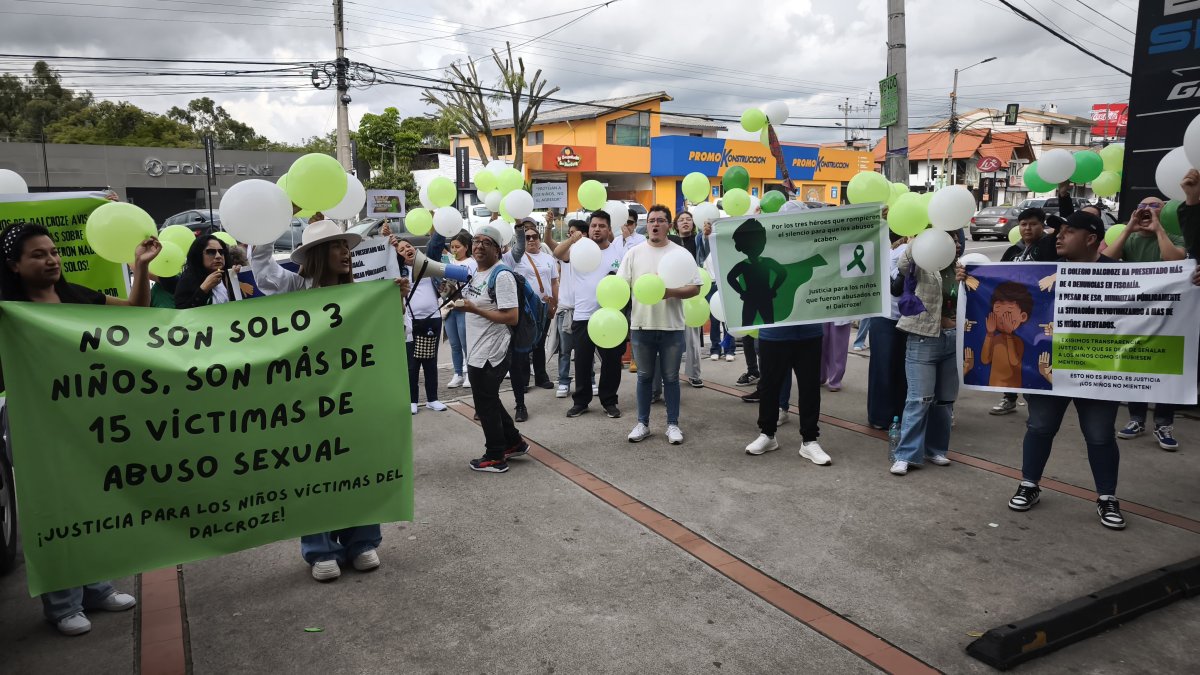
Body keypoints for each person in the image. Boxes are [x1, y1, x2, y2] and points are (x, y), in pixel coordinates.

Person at [0, 222, 160, 635]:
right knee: (54, 510)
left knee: (91, 505)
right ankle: (62, 604)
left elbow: (136, 312)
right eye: (38, 255)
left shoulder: (75, 296)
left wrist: (141, 266)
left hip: (85, 421)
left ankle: (97, 588)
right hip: (38, 424)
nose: (51, 260)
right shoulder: (7, 311)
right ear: (13, 265)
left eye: (53, 252)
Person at [251, 219, 406, 580]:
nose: (345, 253)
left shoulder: (363, 293)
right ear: (318, 254)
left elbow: (384, 339)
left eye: (346, 246)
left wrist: (394, 301)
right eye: (336, 246)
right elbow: (261, 267)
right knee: (313, 472)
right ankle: (320, 548)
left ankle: (362, 542)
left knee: (359, 468)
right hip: (308, 403)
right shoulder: (294, 287)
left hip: (355, 400)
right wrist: (273, 217)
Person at [1006, 211, 1127, 529]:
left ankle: (1107, 497)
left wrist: (1190, 282)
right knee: (1039, 427)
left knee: (1100, 435)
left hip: (1099, 370)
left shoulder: (1119, 273)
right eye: (1059, 230)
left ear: (1091, 239)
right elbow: (1007, 291)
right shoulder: (1046, 271)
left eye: (1069, 231)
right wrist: (970, 277)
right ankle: (1029, 484)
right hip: (1052, 367)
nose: (1059, 235)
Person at [1102, 197, 1185, 451]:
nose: (1146, 209)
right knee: (1134, 367)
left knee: (1164, 370)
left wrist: (1159, 230)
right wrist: (1129, 229)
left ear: (1164, 212)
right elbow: (1105, 261)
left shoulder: (1174, 237)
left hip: (1167, 317)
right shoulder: (1131, 238)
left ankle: (1163, 424)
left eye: (1154, 206)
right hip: (1136, 317)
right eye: (1141, 206)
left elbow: (1175, 260)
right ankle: (1137, 419)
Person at [620, 205, 700, 444]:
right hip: (641, 326)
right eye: (652, 220)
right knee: (644, 377)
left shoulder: (680, 253)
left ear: (669, 225)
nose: (655, 224)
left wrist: (669, 292)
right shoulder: (634, 253)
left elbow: (695, 288)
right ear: (647, 225)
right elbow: (621, 286)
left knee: (671, 378)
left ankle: (673, 425)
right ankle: (642, 424)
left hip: (671, 327)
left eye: (660, 220)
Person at [889, 229, 964, 476]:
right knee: (919, 399)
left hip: (953, 340)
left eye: (956, 240)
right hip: (923, 338)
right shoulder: (925, 263)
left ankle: (936, 449)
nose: (954, 244)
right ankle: (905, 455)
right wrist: (920, 240)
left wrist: (967, 280)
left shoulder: (962, 268)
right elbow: (903, 265)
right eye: (949, 239)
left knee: (944, 401)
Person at [456, 224, 528, 473]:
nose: (479, 246)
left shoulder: (502, 275)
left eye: (486, 243)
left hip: (492, 350)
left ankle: (495, 456)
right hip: (478, 348)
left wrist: (474, 309)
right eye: (476, 241)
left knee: (484, 403)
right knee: (488, 399)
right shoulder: (477, 273)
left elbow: (511, 317)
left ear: (498, 250)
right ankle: (514, 442)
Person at [556, 210, 626, 418]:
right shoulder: (579, 249)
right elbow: (558, 253)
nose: (597, 229)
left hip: (610, 318)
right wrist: (572, 239)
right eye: (594, 225)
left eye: (602, 226)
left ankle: (609, 401)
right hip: (583, 316)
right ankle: (581, 401)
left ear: (609, 229)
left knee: (611, 363)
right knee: (583, 362)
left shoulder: (619, 252)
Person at [990, 208, 1058, 415]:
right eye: (1024, 224)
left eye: (1033, 224)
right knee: (1011, 356)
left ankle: (1037, 403)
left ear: (1042, 225)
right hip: (1014, 317)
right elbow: (996, 276)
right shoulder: (1013, 251)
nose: (1028, 228)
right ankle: (1009, 398)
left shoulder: (1049, 246)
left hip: (1041, 314)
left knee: (1036, 357)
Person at [503, 219, 558, 421]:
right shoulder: (516, 257)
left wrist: (555, 302)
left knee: (540, 343)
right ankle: (524, 380)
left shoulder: (548, 258)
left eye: (535, 236)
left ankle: (541, 376)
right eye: (527, 237)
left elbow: (554, 281)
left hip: (543, 306)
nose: (531, 240)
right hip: (524, 308)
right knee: (524, 345)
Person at [395, 235, 450, 414]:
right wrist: (388, 240)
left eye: (408, 246)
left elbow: (436, 244)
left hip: (433, 319)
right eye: (401, 249)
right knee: (412, 364)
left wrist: (439, 227)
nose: (407, 250)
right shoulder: (398, 270)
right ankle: (412, 400)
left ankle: (432, 399)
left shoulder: (427, 264)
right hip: (411, 322)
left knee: (430, 362)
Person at [866, 232, 909, 429]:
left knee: (890, 369)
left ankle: (887, 416)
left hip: (896, 317)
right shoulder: (899, 250)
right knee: (889, 369)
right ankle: (885, 417)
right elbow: (895, 288)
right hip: (888, 317)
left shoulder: (906, 248)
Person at [552, 219, 595, 399]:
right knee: (565, 350)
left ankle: (590, 380)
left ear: (584, 234)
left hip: (585, 310)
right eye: (569, 233)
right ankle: (564, 381)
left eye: (574, 232)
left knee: (585, 352)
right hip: (567, 310)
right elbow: (556, 251)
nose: (571, 235)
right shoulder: (568, 253)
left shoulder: (592, 253)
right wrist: (571, 239)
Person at [673, 210, 705, 387]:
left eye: (688, 219)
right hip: (673, 291)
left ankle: (694, 374)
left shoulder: (699, 241)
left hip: (693, 293)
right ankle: (669, 374)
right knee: (671, 337)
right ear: (675, 225)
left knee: (692, 337)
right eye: (681, 220)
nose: (685, 222)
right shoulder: (670, 242)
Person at [443, 232, 477, 390]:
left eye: (458, 247)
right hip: (450, 307)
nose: (454, 250)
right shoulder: (448, 262)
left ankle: (470, 373)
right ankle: (457, 374)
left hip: (464, 307)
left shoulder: (472, 263)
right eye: (452, 247)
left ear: (466, 247)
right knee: (454, 343)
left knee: (466, 343)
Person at [174, 235, 238, 308]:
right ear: (198, 255)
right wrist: (203, 289)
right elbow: (181, 310)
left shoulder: (230, 274)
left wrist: (239, 279)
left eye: (221, 252)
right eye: (211, 252)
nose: (218, 256)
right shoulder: (188, 279)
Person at [820, 321, 851, 392]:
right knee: (821, 340)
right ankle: (819, 375)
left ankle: (835, 380)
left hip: (840, 315)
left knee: (839, 344)